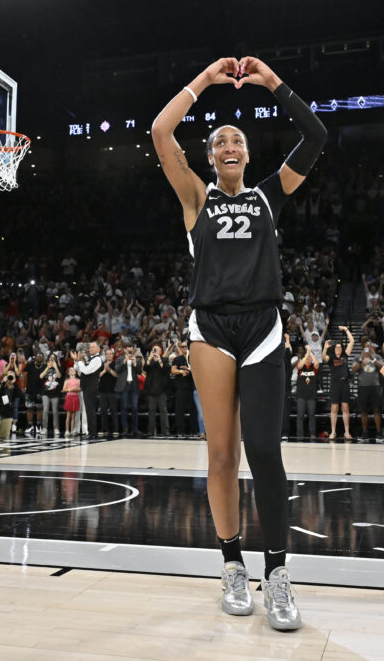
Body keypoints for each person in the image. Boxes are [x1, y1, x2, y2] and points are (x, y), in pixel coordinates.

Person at [151, 55, 324, 629]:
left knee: (266, 454)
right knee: (221, 455)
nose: (228, 144)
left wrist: (271, 82)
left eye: (237, 139)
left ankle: (277, 576)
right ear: (209, 156)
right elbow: (160, 131)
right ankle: (232, 564)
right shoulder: (196, 197)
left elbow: (317, 133)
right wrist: (203, 80)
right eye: (219, 140)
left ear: (247, 154)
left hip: (263, 326)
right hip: (212, 329)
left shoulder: (270, 194)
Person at [322, 326, 355, 440]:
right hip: (335, 384)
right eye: (337, 347)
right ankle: (333, 432)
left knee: (345, 407)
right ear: (334, 349)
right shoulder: (331, 358)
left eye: (340, 347)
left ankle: (346, 432)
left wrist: (346, 330)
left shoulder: (345, 355)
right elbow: (323, 358)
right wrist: (325, 348)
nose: (338, 349)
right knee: (334, 408)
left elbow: (352, 341)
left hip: (344, 384)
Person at [352, 342, 383, 441]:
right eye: (366, 347)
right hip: (363, 387)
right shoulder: (358, 357)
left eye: (369, 346)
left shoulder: (377, 356)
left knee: (377, 409)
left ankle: (379, 432)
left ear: (371, 347)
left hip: (375, 386)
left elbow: (382, 367)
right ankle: (365, 432)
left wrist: (372, 358)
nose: (367, 348)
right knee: (363, 410)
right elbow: (353, 369)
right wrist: (362, 359)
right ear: (363, 348)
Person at [76, 342, 105, 439]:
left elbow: (87, 371)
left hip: (91, 388)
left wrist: (79, 361)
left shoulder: (97, 359)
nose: (91, 349)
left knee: (91, 410)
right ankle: (91, 432)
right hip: (86, 387)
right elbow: (80, 370)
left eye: (93, 347)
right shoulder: (90, 359)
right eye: (90, 347)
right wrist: (77, 361)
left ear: (98, 350)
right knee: (89, 411)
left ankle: (93, 433)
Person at [169, 341, 196, 438]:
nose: (185, 348)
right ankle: (180, 431)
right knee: (179, 410)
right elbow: (173, 370)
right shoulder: (177, 359)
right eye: (183, 347)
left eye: (186, 346)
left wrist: (188, 370)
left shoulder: (193, 358)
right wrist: (181, 371)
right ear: (180, 348)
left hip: (191, 387)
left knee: (194, 410)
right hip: (180, 387)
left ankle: (194, 431)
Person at [143, 344, 170, 437]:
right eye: (153, 350)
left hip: (161, 390)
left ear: (160, 352)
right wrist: (150, 358)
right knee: (151, 411)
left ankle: (165, 431)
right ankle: (151, 431)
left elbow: (166, 369)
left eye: (156, 350)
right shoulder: (149, 360)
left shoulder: (164, 360)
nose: (154, 352)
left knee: (163, 411)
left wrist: (159, 360)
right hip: (151, 390)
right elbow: (145, 368)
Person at [294, 344, 320, 439]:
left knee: (311, 415)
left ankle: (312, 433)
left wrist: (311, 352)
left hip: (311, 395)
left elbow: (317, 363)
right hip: (301, 395)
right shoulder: (301, 367)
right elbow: (300, 365)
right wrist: (306, 354)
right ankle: (300, 434)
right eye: (306, 358)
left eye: (309, 358)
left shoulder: (314, 367)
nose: (308, 359)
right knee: (300, 415)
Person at [117, 345, 142, 437]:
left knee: (135, 407)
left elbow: (139, 372)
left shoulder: (137, 360)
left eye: (131, 351)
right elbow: (117, 370)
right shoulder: (120, 359)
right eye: (128, 351)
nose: (130, 353)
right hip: (124, 386)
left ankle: (135, 429)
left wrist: (135, 363)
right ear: (125, 350)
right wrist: (125, 361)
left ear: (133, 351)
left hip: (134, 386)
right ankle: (125, 429)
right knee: (124, 407)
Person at [39, 352, 63, 438]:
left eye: (53, 358)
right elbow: (41, 376)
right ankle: (44, 428)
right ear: (48, 359)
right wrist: (47, 368)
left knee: (55, 411)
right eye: (50, 358)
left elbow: (59, 376)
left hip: (55, 392)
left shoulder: (59, 367)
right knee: (45, 410)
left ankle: (56, 428)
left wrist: (56, 367)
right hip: (45, 392)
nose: (52, 360)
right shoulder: (44, 367)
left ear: (56, 360)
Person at [23, 351, 45, 435]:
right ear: (34, 357)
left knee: (39, 408)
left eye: (41, 355)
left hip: (41, 390)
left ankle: (38, 425)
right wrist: (23, 386)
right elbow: (24, 375)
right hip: (30, 389)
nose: (39, 357)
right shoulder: (29, 364)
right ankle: (30, 425)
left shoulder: (45, 366)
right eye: (37, 355)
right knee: (29, 408)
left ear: (43, 358)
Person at [61, 368, 81, 437]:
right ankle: (67, 430)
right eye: (71, 370)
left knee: (73, 416)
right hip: (69, 397)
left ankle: (72, 430)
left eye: (73, 370)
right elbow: (63, 390)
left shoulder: (78, 380)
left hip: (75, 398)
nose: (72, 371)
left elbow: (79, 389)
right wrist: (71, 389)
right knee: (68, 415)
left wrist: (74, 389)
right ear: (68, 373)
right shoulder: (67, 380)